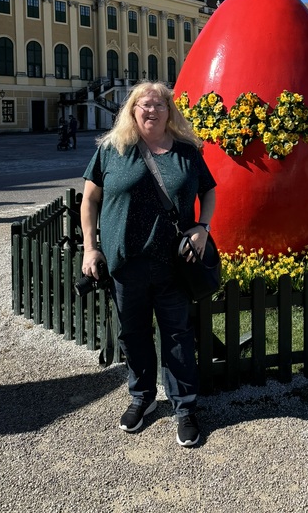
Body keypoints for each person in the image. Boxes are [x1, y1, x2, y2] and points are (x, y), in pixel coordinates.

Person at [80, 81, 216, 445]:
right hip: (126, 263)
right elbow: (89, 200)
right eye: (144, 104)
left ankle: (184, 406)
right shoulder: (113, 149)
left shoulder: (186, 151)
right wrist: (90, 248)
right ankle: (142, 398)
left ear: (169, 110)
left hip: (174, 263)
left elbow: (209, 189)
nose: (151, 110)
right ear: (132, 110)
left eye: (159, 104)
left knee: (177, 336)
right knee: (134, 333)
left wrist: (203, 227)